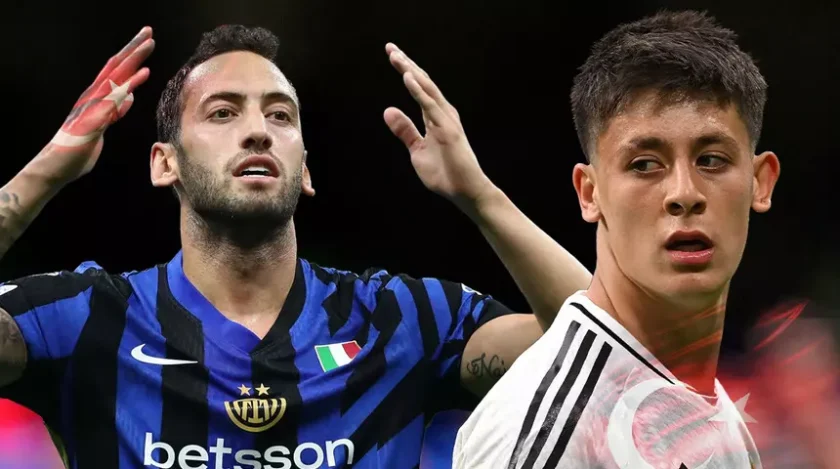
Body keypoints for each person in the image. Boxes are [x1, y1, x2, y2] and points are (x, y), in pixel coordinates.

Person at [0, 24, 592, 469]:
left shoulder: (402, 319)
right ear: (164, 163)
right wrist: (45, 172)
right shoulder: (85, 317)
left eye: (280, 116)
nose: (258, 130)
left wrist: (480, 196)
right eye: (223, 113)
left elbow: (600, 343)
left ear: (304, 169)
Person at [453, 10, 783, 468]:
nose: (684, 194)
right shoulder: (552, 433)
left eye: (711, 159)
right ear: (589, 194)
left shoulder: (715, 414)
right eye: (644, 165)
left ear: (760, 182)